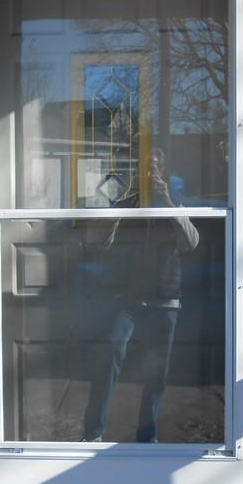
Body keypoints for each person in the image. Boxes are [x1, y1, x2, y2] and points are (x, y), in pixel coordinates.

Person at [82, 148, 198, 443]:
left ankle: (147, 436)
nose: (149, 174)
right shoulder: (125, 196)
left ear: (163, 171)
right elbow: (100, 242)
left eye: (154, 168)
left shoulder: (173, 195)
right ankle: (93, 433)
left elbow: (191, 242)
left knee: (157, 371)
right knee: (110, 352)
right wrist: (123, 202)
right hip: (127, 296)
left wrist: (167, 202)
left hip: (164, 295)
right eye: (145, 168)